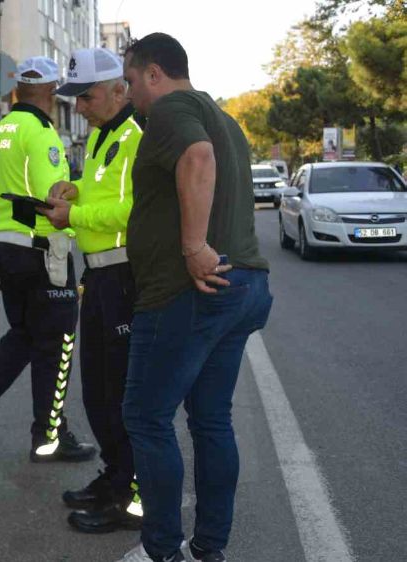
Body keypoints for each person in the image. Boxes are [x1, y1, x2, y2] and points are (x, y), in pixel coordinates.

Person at [114, 33, 272, 562]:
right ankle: (209, 547)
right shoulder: (225, 118)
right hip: (242, 285)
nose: (130, 94)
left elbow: (197, 159)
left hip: (190, 291)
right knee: (210, 419)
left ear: (155, 74)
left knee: (146, 417)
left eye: (132, 81)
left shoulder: (171, 108)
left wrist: (193, 246)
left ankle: (163, 551)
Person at [0, 56, 97, 463]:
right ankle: (50, 436)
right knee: (58, 344)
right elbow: (54, 197)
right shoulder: (40, 131)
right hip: (43, 250)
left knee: (26, 336)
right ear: (47, 93)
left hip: (8, 250)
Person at [42, 48, 145, 534]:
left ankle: (130, 496)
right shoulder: (105, 134)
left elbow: (135, 210)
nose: (78, 107)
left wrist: (73, 215)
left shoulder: (137, 135)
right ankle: (115, 476)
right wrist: (72, 190)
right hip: (99, 276)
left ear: (120, 90)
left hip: (124, 276)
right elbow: (103, 193)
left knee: (121, 393)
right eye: (75, 99)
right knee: (98, 390)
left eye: (86, 97)